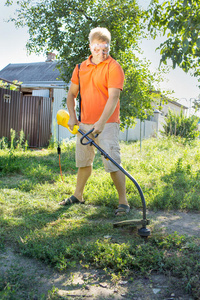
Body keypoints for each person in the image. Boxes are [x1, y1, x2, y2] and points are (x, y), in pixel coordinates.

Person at [59, 27, 130, 216]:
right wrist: (73, 116)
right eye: (97, 48)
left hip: (107, 124)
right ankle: (78, 195)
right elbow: (71, 95)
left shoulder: (114, 67)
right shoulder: (80, 68)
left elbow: (113, 97)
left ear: (109, 47)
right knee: (83, 162)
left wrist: (101, 122)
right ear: (90, 47)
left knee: (113, 162)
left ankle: (123, 202)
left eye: (105, 48)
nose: (102, 52)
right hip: (84, 123)